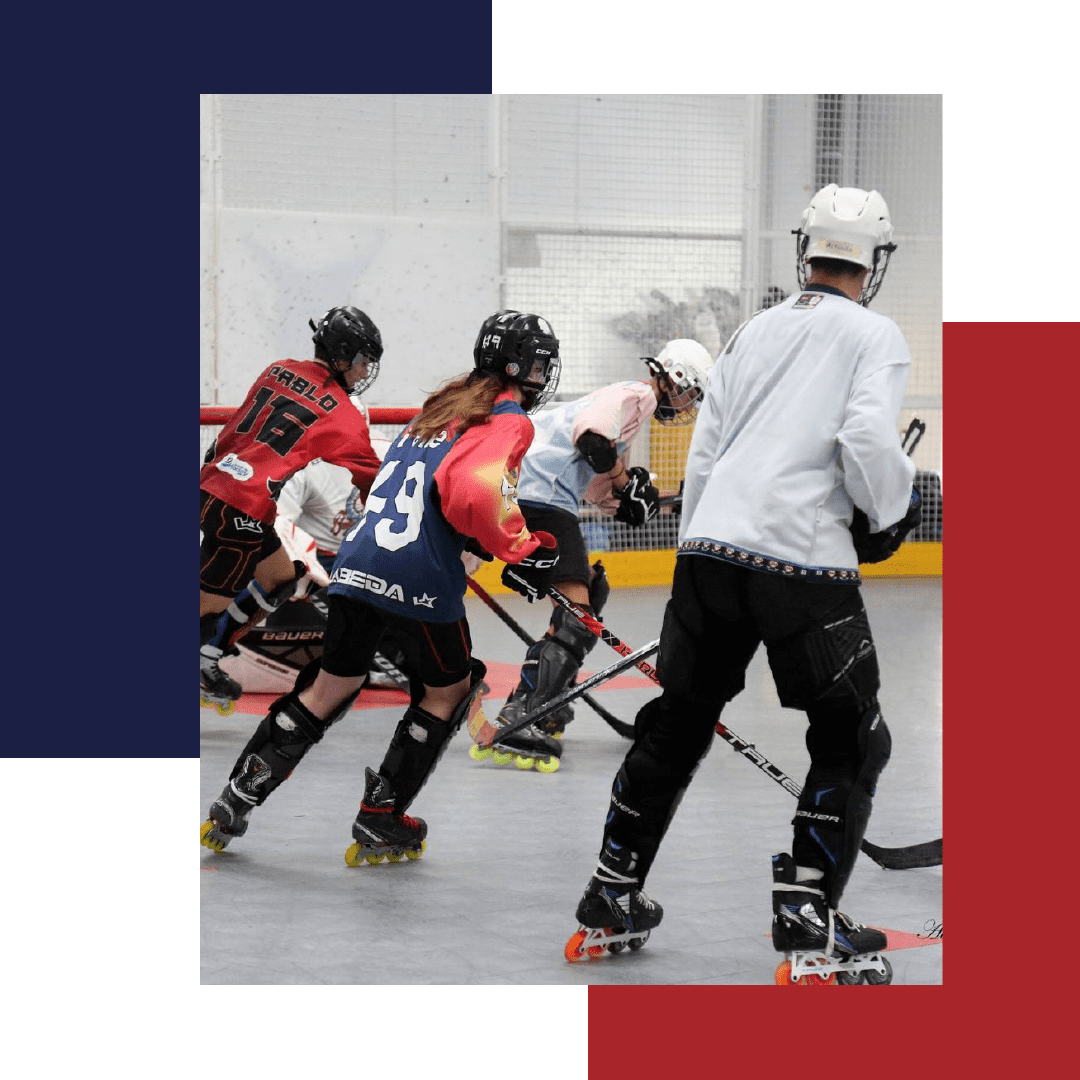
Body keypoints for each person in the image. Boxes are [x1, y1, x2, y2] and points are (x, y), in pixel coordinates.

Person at [568, 185, 922, 982]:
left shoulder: (752, 332)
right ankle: (807, 917)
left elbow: (704, 453)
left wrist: (701, 548)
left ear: (808, 249)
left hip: (707, 555)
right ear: (875, 260)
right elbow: (867, 438)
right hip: (800, 561)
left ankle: (611, 890)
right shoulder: (875, 334)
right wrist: (891, 511)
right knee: (853, 737)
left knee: (677, 723)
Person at [200, 310, 564, 862]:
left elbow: (418, 487)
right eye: (538, 365)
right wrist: (522, 548)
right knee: (452, 689)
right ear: (516, 367)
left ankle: (236, 796)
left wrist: (474, 541)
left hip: (356, 564)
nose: (542, 376)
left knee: (329, 687)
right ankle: (381, 817)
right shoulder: (507, 418)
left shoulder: (442, 406)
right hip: (416, 577)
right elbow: (470, 490)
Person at [483, 336, 713, 764]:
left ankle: (547, 701)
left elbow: (599, 489)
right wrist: (628, 484)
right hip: (539, 495)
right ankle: (524, 712)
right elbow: (592, 442)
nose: (688, 405)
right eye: (691, 392)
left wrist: (656, 498)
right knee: (579, 615)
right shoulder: (636, 395)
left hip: (540, 495)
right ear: (676, 377)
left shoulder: (629, 413)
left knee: (592, 589)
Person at [199, 307, 384, 714]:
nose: (364, 370)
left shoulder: (277, 369)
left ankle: (207, 659)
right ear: (342, 355)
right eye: (362, 360)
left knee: (280, 575)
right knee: (201, 614)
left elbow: (231, 432)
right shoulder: (343, 415)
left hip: (214, 486)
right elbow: (375, 482)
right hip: (242, 510)